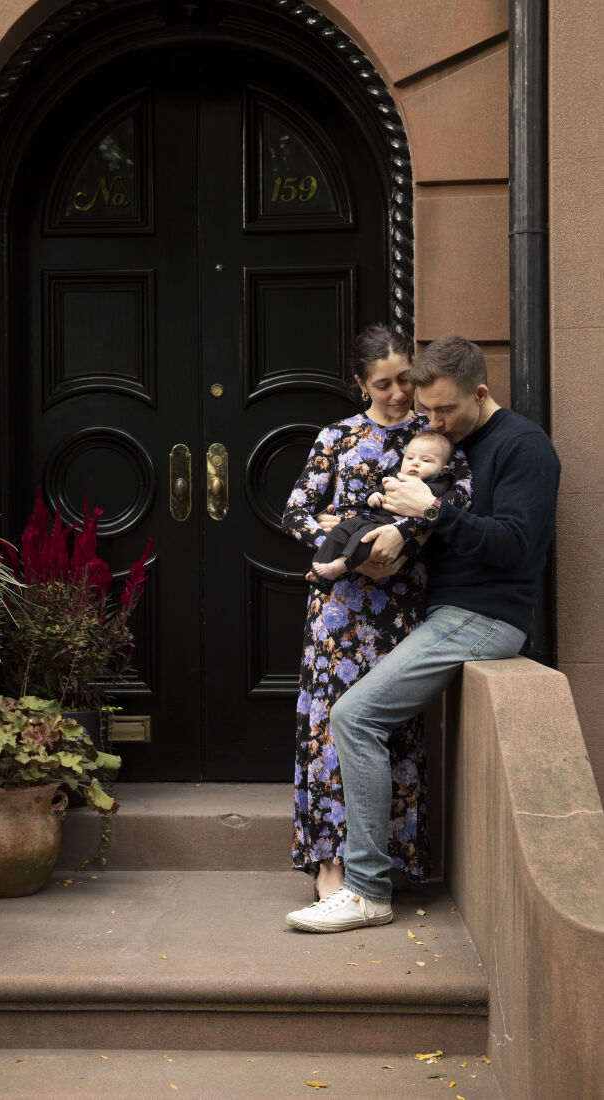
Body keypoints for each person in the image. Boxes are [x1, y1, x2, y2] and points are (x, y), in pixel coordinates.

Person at [285, 335, 560, 933]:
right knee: (357, 718)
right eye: (425, 409)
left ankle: (366, 890)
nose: (430, 421)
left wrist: (430, 512)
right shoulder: (450, 446)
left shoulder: (523, 446)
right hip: (440, 615)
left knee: (355, 717)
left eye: (443, 411)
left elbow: (515, 545)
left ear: (480, 393)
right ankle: (358, 880)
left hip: (483, 618)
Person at [282, 324, 472, 901]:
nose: (397, 394)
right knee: (328, 733)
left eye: (404, 382)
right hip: (338, 615)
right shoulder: (336, 438)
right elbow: (295, 510)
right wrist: (338, 538)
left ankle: (381, 865)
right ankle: (329, 867)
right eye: (383, 384)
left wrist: (402, 532)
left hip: (400, 613)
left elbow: (457, 498)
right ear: (360, 383)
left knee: (387, 733)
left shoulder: (432, 438)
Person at [307, 431, 457, 592]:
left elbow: (440, 506)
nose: (415, 463)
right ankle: (320, 568)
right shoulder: (397, 475)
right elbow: (377, 490)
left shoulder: (438, 482)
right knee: (340, 530)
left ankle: (338, 567)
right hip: (372, 517)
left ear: (443, 468)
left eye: (425, 460)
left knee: (364, 538)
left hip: (392, 526)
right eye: (410, 458)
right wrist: (374, 496)